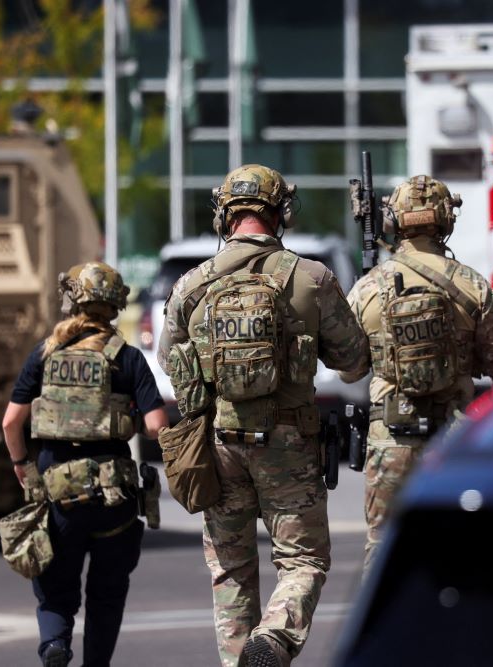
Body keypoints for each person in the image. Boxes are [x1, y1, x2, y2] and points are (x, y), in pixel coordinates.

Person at [157, 164, 368, 667]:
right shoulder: (311, 278)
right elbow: (355, 362)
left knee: (231, 569)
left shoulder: (191, 285)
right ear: (282, 213)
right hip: (288, 443)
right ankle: (275, 635)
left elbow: (168, 360)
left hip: (218, 443)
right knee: (303, 559)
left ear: (223, 217)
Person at [340, 174, 493, 573]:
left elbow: (350, 372)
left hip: (391, 436)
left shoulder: (368, 288)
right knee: (462, 543)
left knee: (384, 544)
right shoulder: (473, 286)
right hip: (454, 438)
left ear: (394, 221)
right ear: (446, 220)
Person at [2, 262, 168, 667]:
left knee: (55, 592)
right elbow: (156, 426)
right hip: (114, 500)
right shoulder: (127, 358)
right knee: (106, 596)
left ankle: (55, 647)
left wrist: (21, 462)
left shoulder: (45, 354)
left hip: (59, 497)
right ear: (114, 306)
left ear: (71, 301)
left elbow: (10, 422)